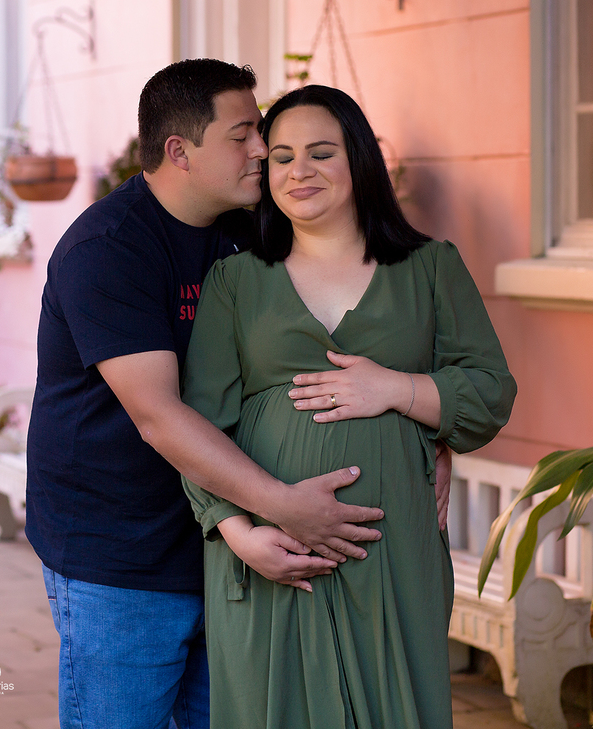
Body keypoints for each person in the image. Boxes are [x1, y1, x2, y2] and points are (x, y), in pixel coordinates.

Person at [27, 60, 440, 729]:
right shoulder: (107, 250)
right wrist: (282, 505)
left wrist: (428, 431)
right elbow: (159, 416)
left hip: (233, 546)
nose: (262, 151)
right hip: (121, 555)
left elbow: (359, 337)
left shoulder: (255, 232)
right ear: (179, 152)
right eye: (243, 134)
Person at [181, 84, 516, 728]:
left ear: (359, 161)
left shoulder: (430, 268)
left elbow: (490, 390)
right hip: (270, 554)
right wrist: (240, 534)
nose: (299, 170)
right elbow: (200, 421)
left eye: (320, 152)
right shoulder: (235, 280)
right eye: (280, 157)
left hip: (392, 552)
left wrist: (398, 390)